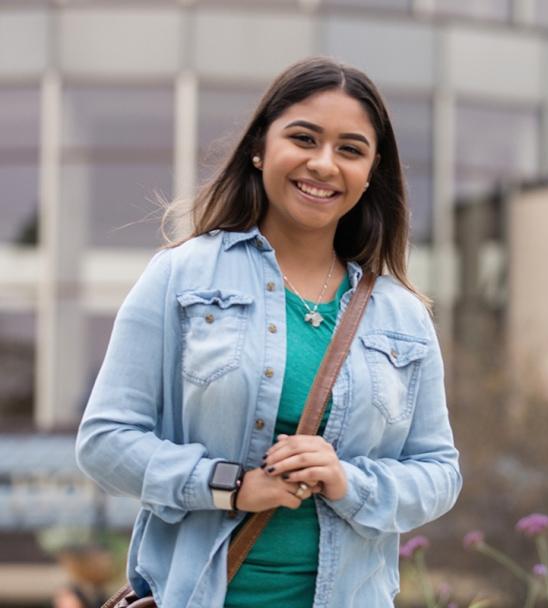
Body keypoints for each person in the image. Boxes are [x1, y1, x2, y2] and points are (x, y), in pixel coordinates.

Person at [75, 57, 462, 607]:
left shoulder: (402, 315)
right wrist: (229, 485)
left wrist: (348, 480)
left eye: (350, 149)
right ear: (261, 147)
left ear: (371, 172)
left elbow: (440, 474)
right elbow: (105, 442)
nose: (324, 164)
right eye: (304, 138)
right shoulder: (183, 275)